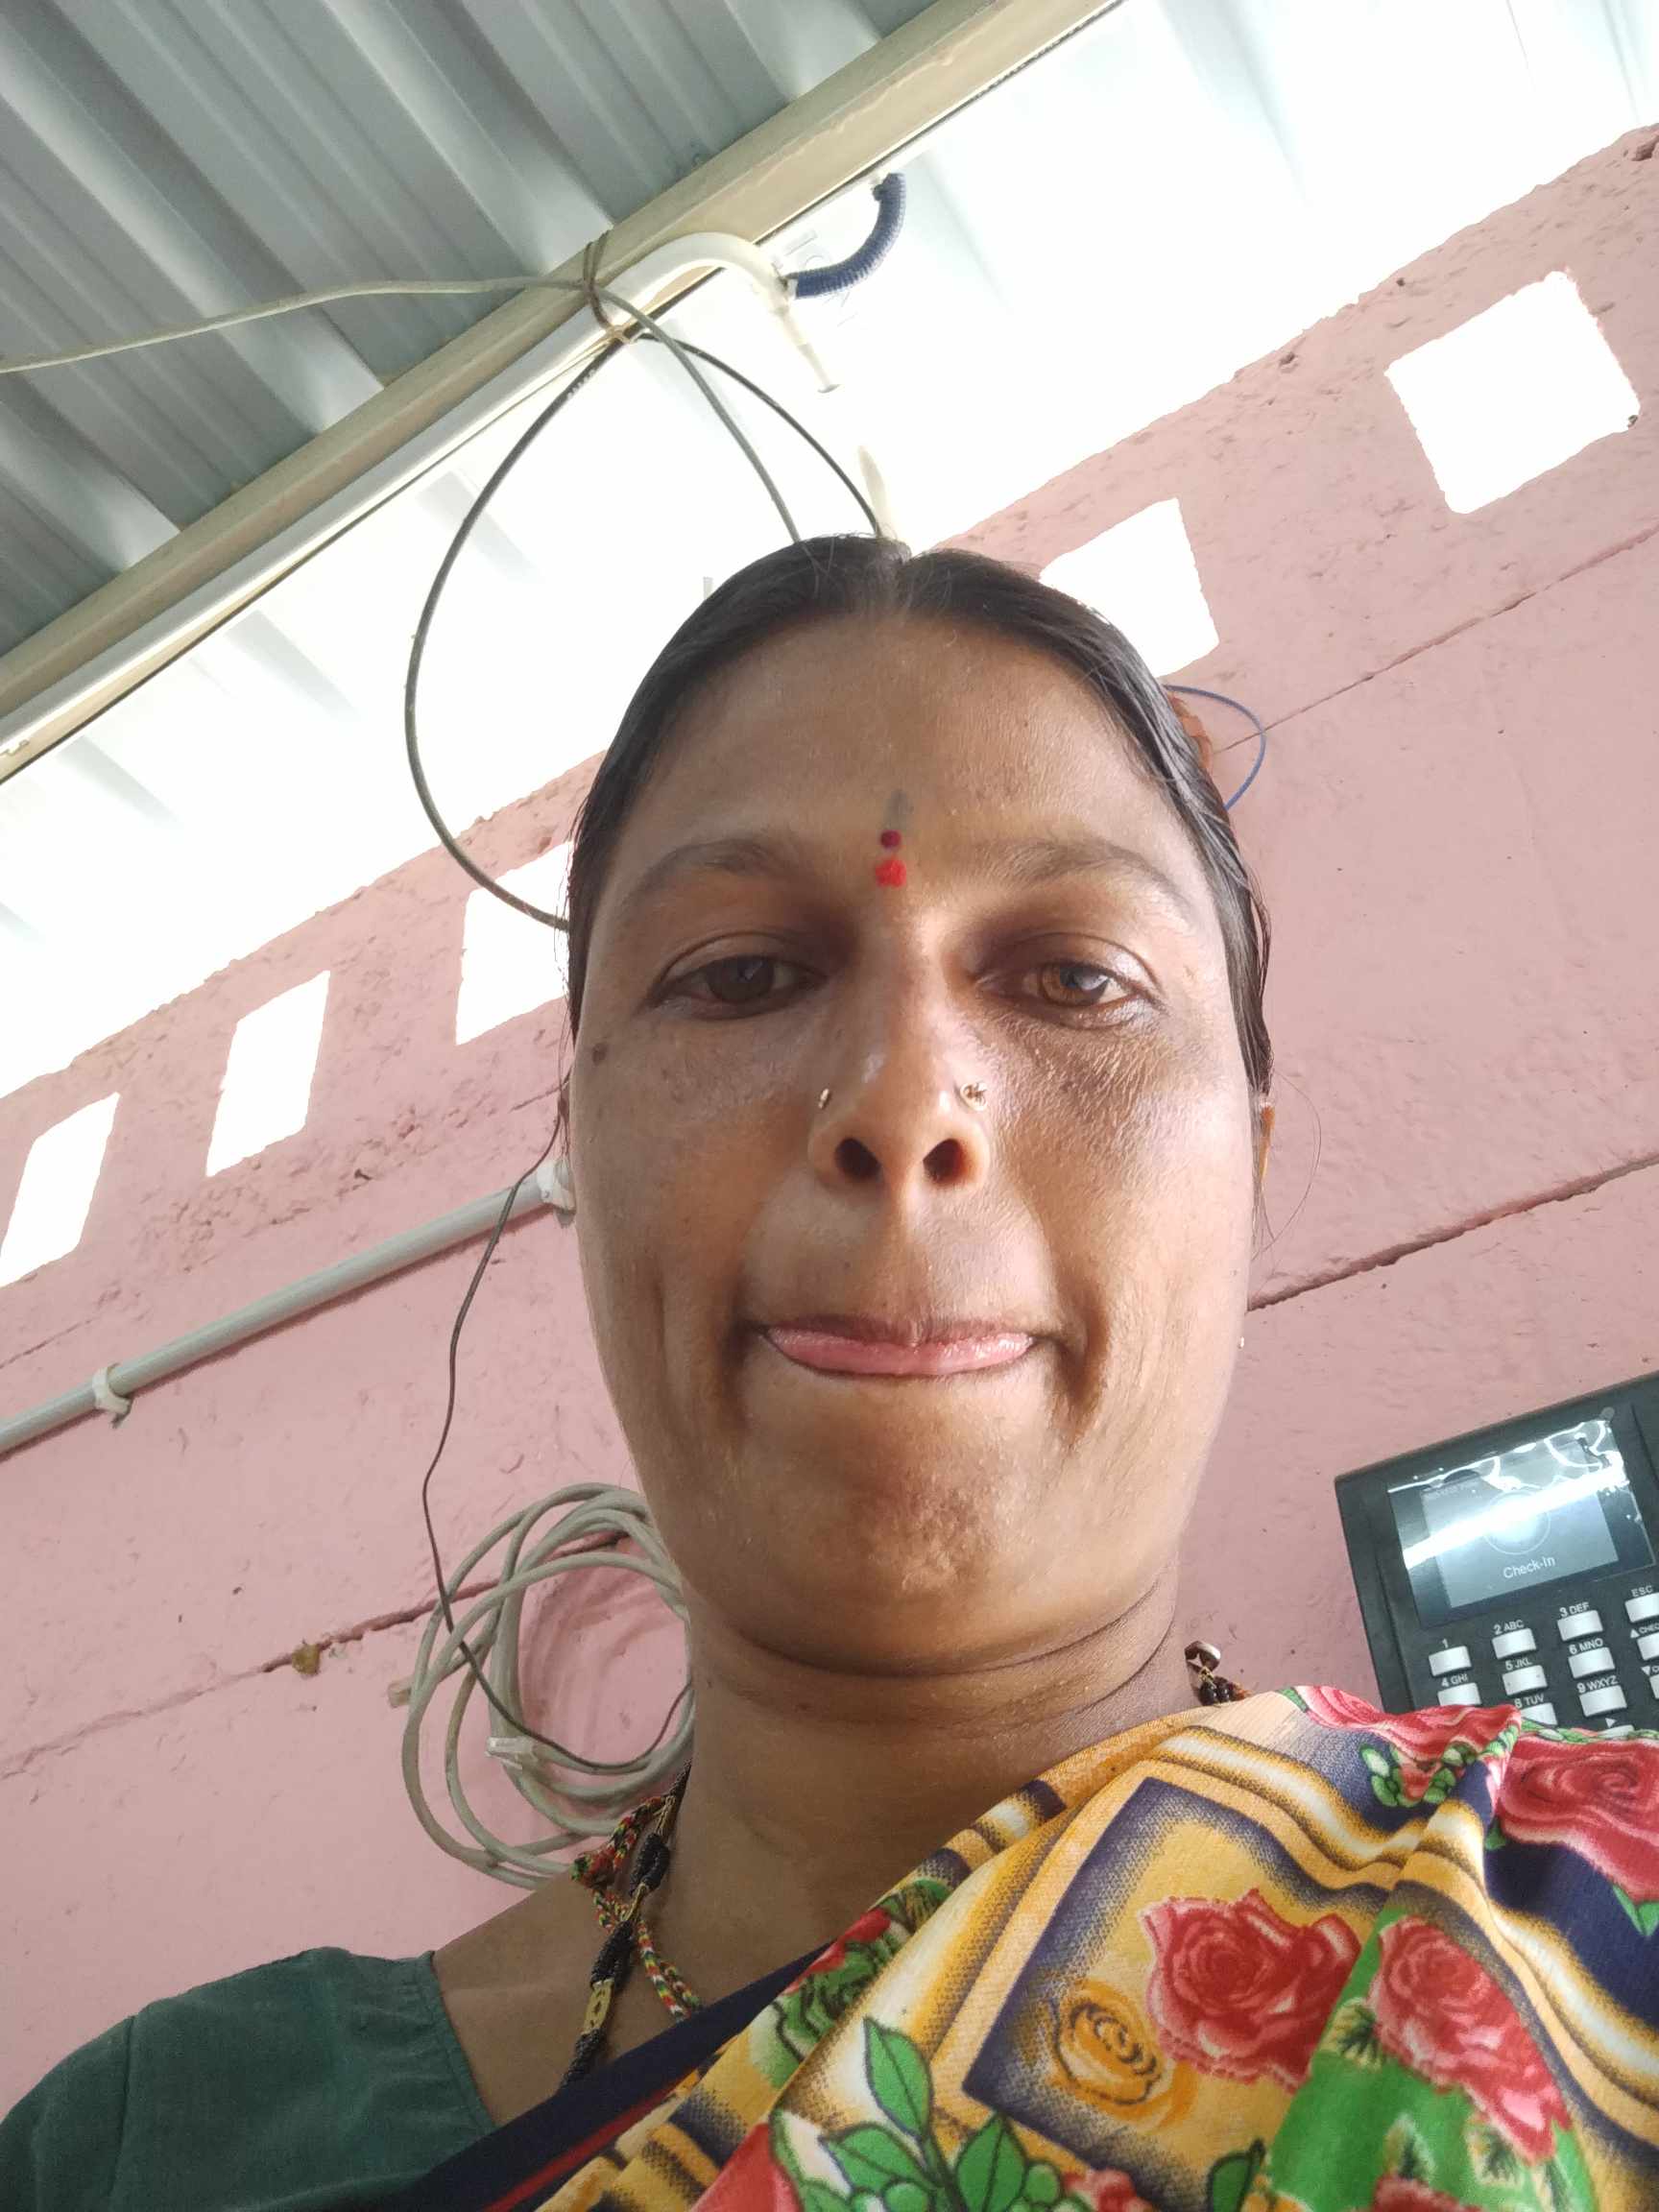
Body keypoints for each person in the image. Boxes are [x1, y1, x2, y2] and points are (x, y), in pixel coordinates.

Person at [6, 535, 1657, 2212]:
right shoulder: (148, 2150)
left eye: (1077, 977)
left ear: (1252, 1159)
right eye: (739, 975)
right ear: (580, 1156)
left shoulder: (1597, 1926)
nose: (902, 1097)